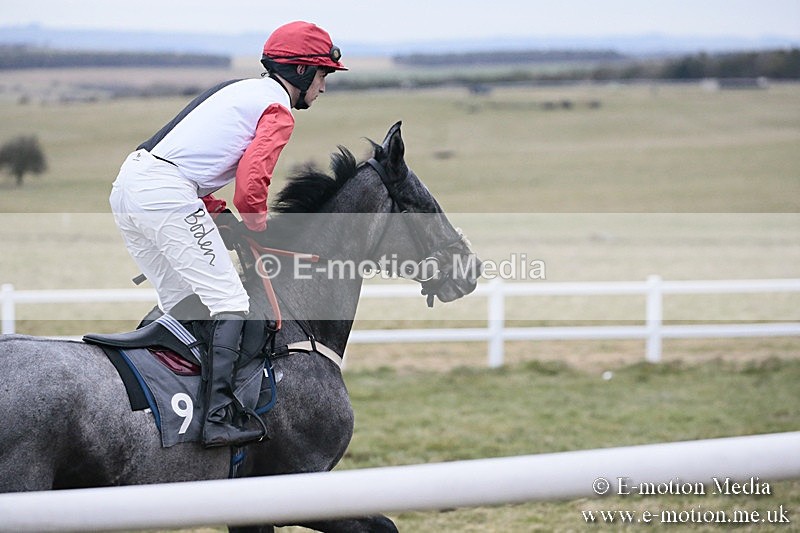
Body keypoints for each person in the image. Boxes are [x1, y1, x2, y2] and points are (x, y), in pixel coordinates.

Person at [109, 21, 347, 447]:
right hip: (167, 194)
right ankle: (219, 415)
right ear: (300, 72)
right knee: (231, 302)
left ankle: (174, 405)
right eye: (323, 74)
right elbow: (251, 186)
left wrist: (223, 217)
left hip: (131, 187)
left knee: (183, 304)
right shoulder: (277, 110)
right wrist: (257, 228)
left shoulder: (238, 90)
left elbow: (197, 164)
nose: (324, 86)